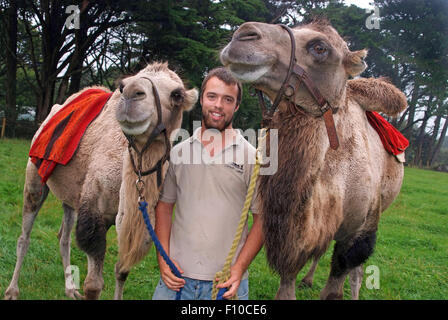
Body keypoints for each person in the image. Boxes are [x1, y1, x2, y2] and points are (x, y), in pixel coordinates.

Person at [152, 67, 263, 300]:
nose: (218, 106)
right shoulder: (178, 152)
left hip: (226, 284)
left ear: (236, 106)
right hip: (176, 281)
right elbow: (164, 206)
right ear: (201, 99)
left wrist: (239, 268)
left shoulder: (252, 157)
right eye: (212, 96)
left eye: (227, 99)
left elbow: (262, 220)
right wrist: (163, 257)